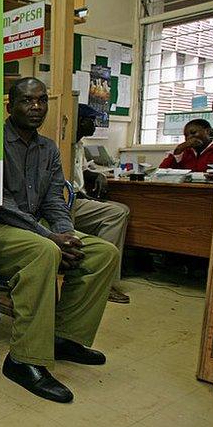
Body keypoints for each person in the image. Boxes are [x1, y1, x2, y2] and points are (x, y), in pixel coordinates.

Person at [0, 78, 119, 403]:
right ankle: (23, 359)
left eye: (41, 101)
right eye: (27, 101)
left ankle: (63, 337)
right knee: (44, 251)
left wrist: (67, 233)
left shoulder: (48, 148)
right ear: (10, 106)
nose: (36, 107)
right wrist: (50, 236)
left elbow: (53, 200)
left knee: (103, 253)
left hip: (37, 229)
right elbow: (0, 203)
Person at [72, 104, 131, 304]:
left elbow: (83, 170)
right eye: (92, 121)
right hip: (68, 202)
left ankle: (104, 273)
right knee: (115, 214)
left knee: (123, 209)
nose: (95, 126)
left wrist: (95, 174)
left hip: (80, 197)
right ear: (80, 121)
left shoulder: (80, 145)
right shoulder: (62, 142)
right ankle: (104, 283)